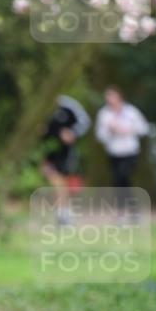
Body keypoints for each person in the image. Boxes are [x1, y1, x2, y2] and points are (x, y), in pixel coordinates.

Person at [95, 86, 149, 214]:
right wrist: (110, 129)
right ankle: (126, 209)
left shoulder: (131, 112)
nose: (110, 100)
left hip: (130, 151)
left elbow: (144, 128)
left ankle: (127, 208)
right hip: (114, 152)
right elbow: (99, 135)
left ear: (119, 97)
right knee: (118, 180)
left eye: (112, 96)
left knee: (123, 176)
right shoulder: (104, 114)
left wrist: (129, 129)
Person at [40, 95, 90, 224]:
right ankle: (62, 213)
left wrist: (73, 133)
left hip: (65, 152)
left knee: (61, 181)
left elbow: (85, 121)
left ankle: (64, 214)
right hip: (48, 150)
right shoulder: (39, 106)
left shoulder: (67, 105)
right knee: (55, 181)